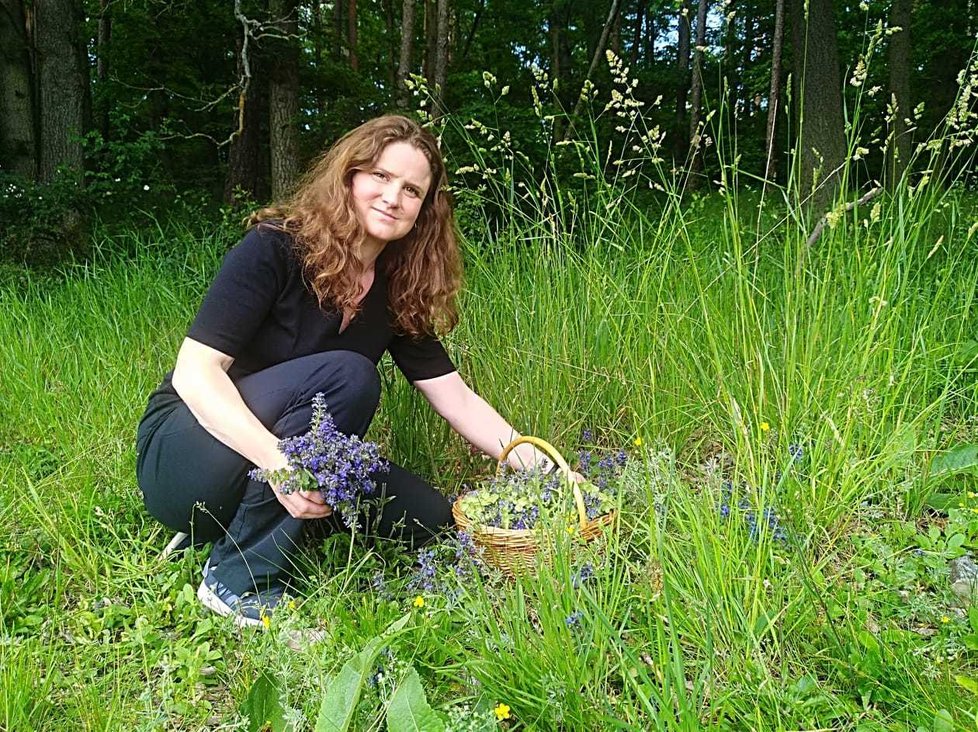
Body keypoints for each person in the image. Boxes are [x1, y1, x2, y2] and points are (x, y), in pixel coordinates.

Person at [135, 115, 560, 627]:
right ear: (349, 177)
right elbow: (195, 373)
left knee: (431, 520)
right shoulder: (276, 247)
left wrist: (553, 474)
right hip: (185, 457)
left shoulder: (398, 288)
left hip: (276, 461)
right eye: (379, 176)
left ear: (424, 211)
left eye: (411, 190)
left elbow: (459, 401)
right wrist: (279, 464)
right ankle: (237, 579)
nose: (392, 197)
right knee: (350, 376)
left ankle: (244, 523)